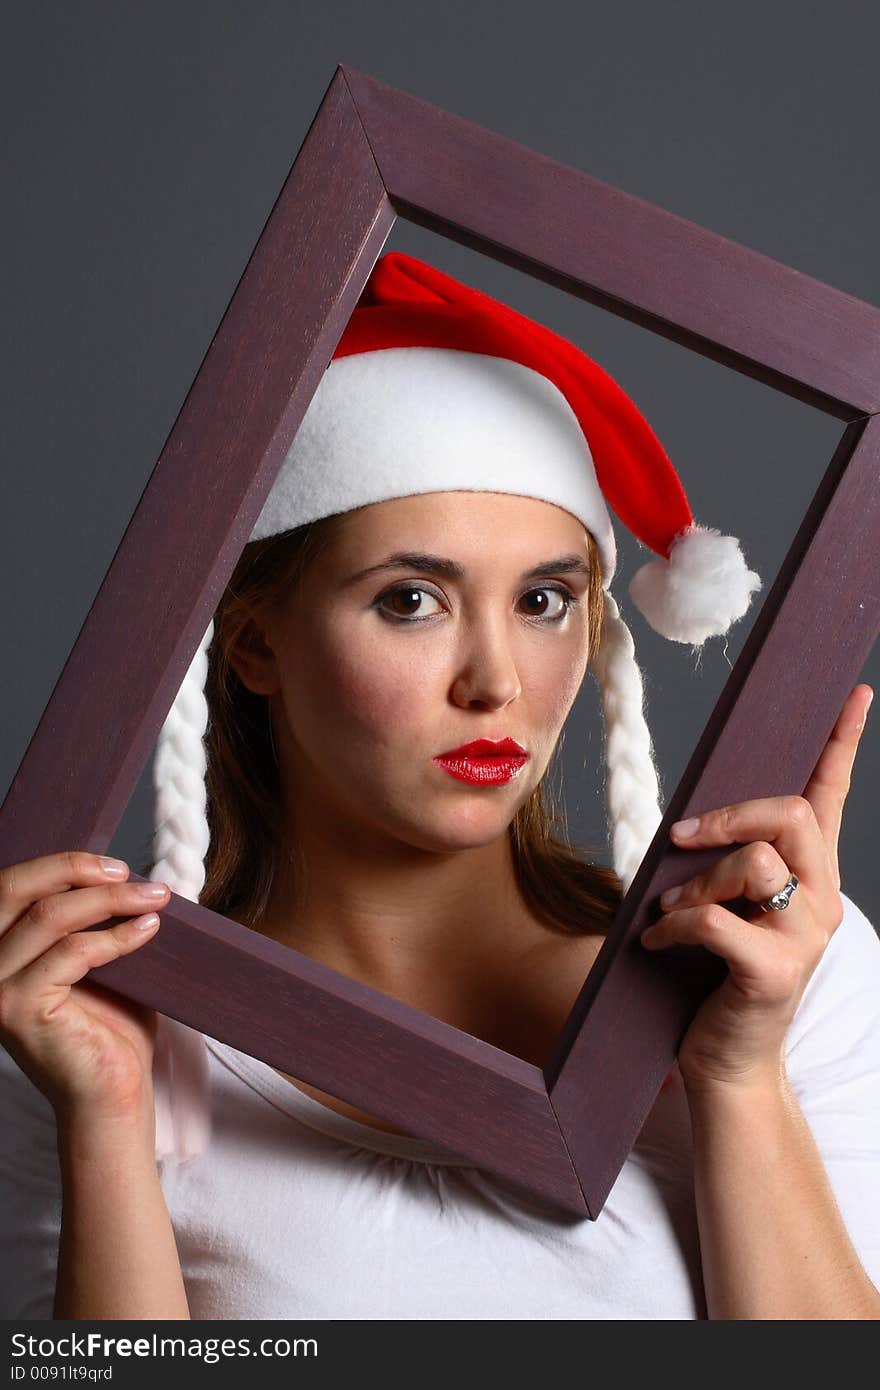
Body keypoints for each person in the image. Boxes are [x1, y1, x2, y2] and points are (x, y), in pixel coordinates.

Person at [1, 252, 879, 1321]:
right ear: (254, 644)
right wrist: (106, 1121)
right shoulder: (72, 1030)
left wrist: (738, 1084)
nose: (496, 681)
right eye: (411, 598)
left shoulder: (782, 973)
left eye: (545, 601)